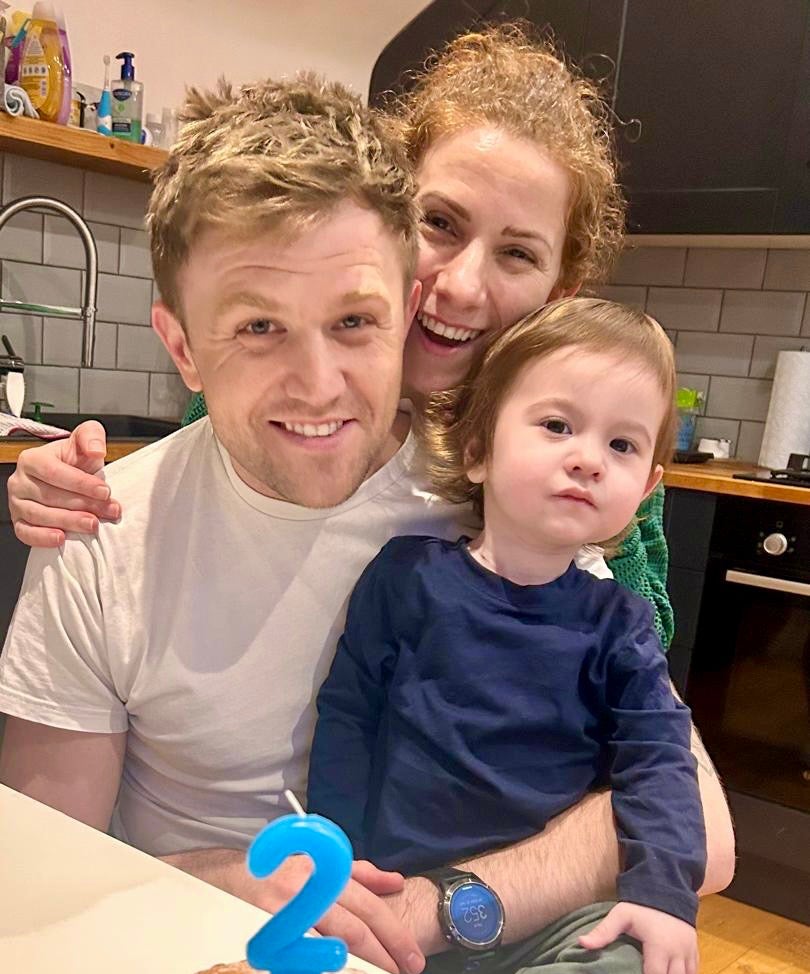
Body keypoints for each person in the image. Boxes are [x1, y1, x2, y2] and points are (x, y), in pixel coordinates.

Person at [0, 54, 744, 974]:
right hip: (199, 956)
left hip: (476, 959)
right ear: (183, 343)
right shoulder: (104, 529)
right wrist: (214, 876)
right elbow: (36, 879)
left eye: (354, 322)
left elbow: (694, 821)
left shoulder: (499, 502)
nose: (316, 383)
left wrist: (453, 906)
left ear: (400, 308)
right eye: (259, 326)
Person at [7, 28, 673, 645]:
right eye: (440, 222)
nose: (464, 288)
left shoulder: (597, 433)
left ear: (559, 291)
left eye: (518, 255)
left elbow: (639, 647)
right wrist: (76, 491)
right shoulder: (278, 389)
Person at [309, 297, 701, 974]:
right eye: (557, 426)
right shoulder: (406, 577)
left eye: (621, 444)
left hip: (549, 926)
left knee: (638, 964)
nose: (588, 458)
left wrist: (663, 896)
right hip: (393, 899)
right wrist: (336, 858)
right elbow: (348, 720)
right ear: (479, 448)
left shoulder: (618, 625)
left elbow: (660, 763)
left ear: (647, 484)